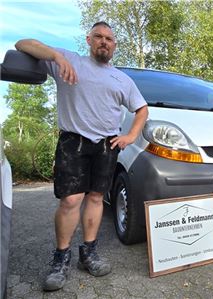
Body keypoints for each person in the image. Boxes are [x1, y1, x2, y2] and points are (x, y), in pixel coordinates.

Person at [15, 21, 148, 291]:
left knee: (97, 198)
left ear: (114, 45)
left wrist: (130, 136)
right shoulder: (68, 60)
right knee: (71, 200)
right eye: (98, 37)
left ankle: (88, 253)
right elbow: (22, 44)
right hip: (73, 142)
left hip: (106, 145)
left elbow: (142, 110)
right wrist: (54, 56)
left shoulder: (122, 79)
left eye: (109, 39)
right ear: (89, 40)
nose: (104, 42)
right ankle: (60, 258)